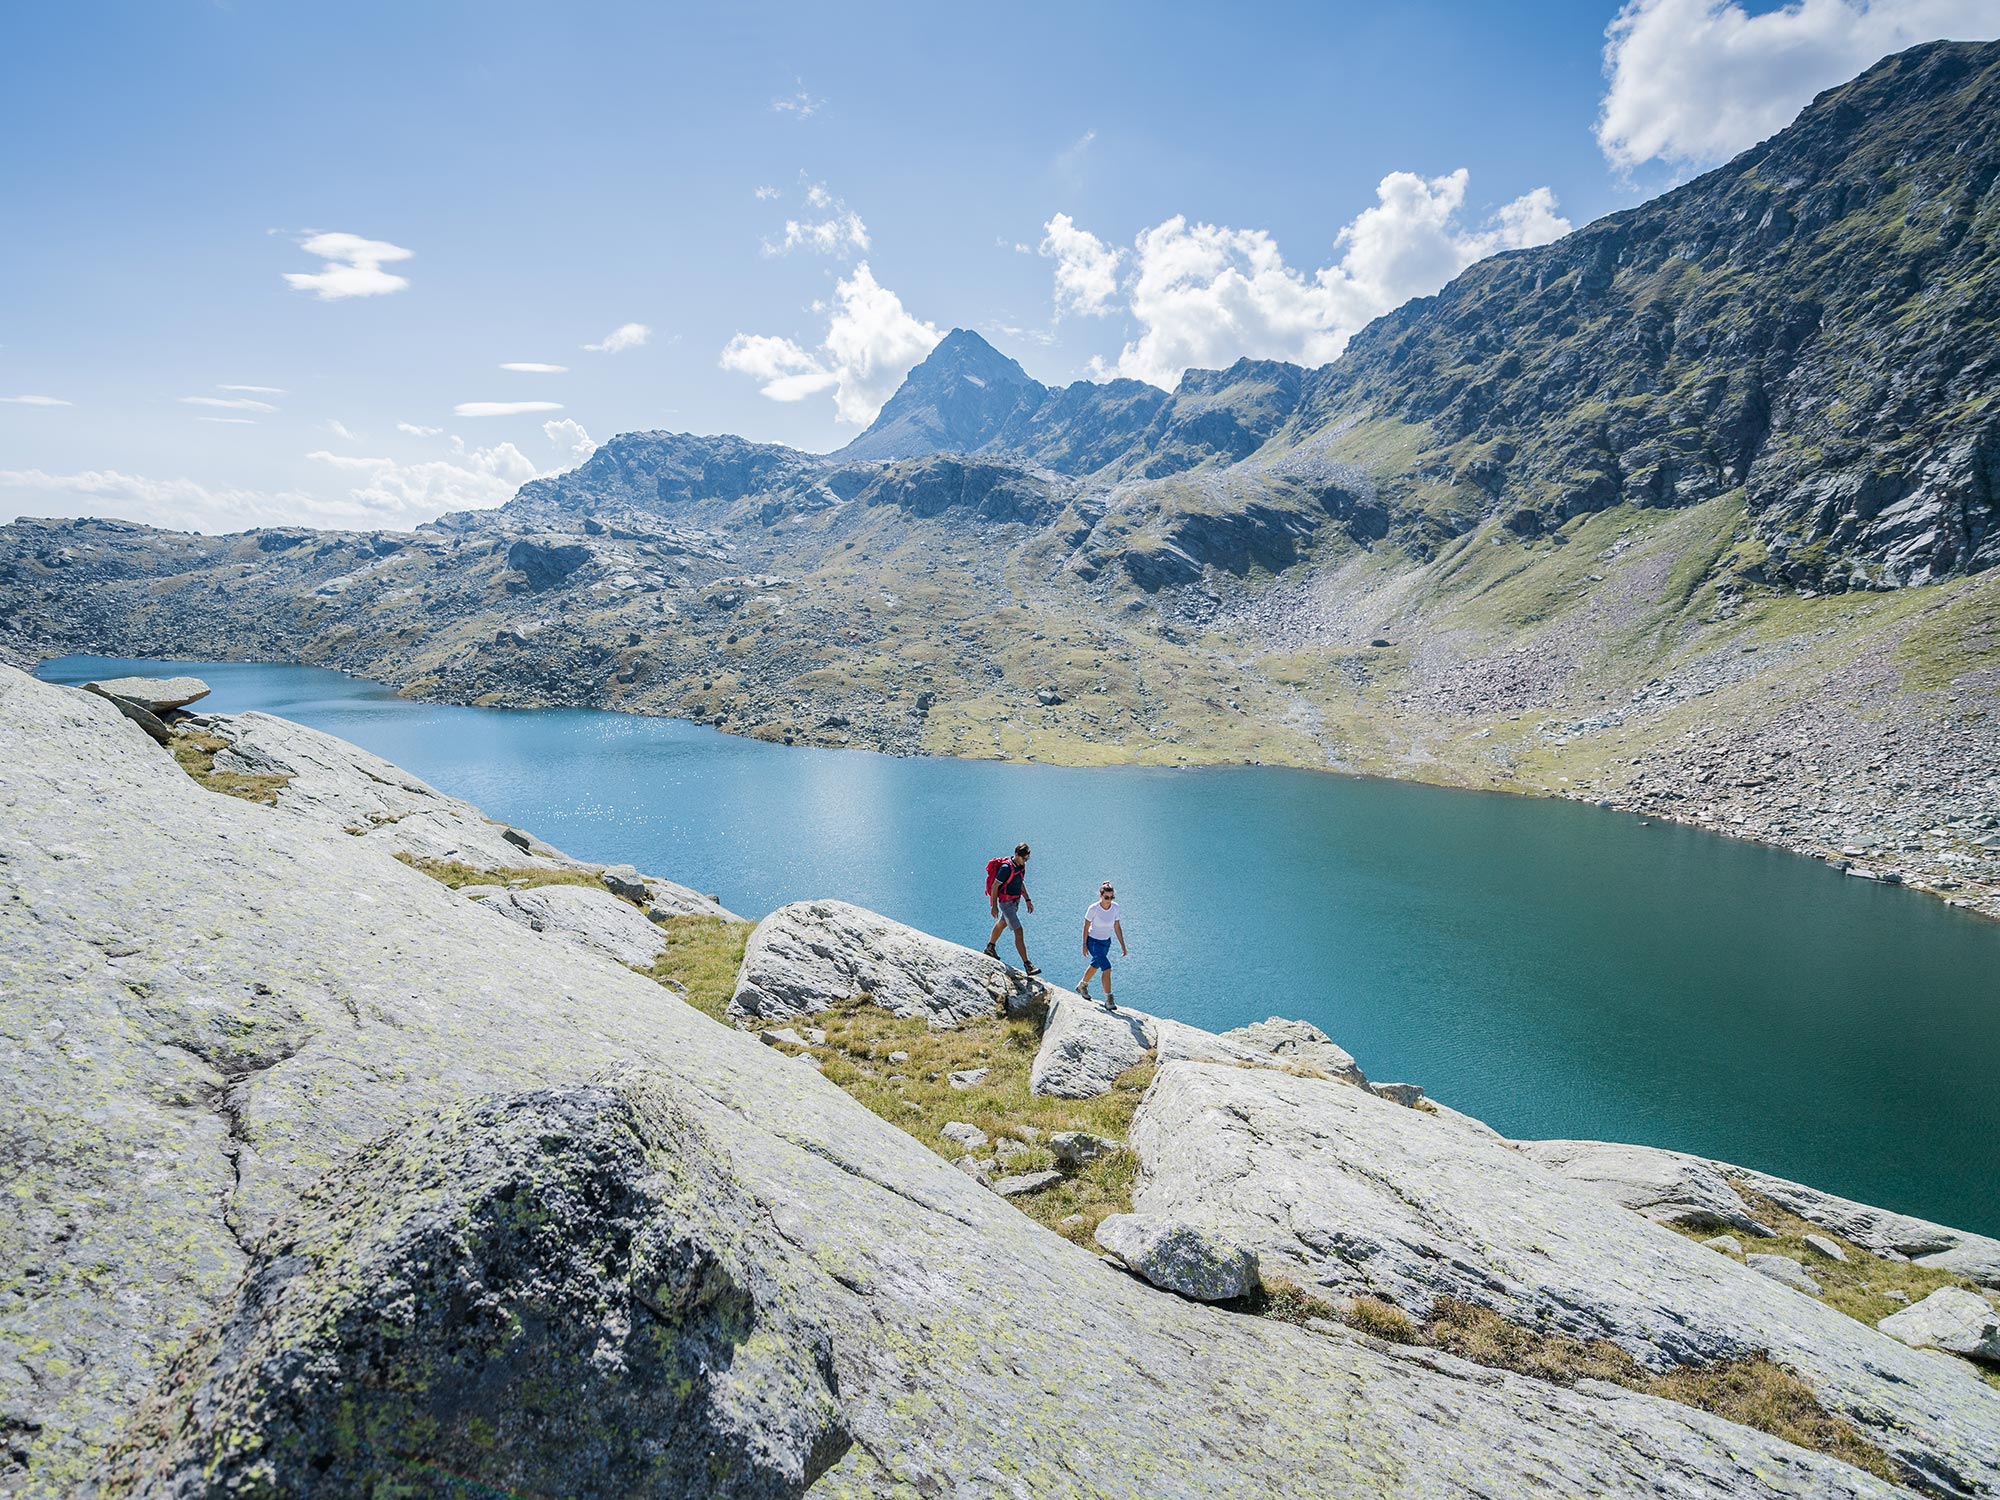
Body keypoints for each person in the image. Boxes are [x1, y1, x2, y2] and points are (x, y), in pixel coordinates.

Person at [984, 842, 1039, 974]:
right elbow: (995, 886)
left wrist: (1027, 899)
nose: (1026, 861)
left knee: (1002, 923)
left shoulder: (1020, 866)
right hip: (1006, 903)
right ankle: (1027, 964)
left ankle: (990, 948)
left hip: (1015, 902)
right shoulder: (1006, 868)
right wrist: (994, 906)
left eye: (1027, 858)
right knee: (1019, 931)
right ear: (1017, 855)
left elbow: (1020, 882)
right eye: (1024, 858)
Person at [1077, 881, 1127, 1008]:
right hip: (1093, 941)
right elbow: (1086, 926)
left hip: (1106, 942)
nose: (1109, 900)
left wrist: (1123, 945)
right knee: (1107, 968)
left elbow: (1117, 926)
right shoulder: (1093, 908)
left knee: (1095, 965)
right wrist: (1084, 944)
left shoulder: (1115, 907)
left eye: (1111, 897)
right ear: (1100, 895)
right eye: (1106, 897)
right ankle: (1109, 999)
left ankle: (1082, 986)